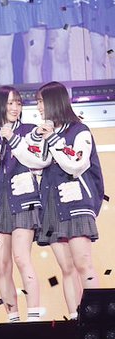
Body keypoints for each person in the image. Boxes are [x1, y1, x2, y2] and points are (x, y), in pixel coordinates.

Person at [34, 81, 103, 318]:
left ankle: (95, 319)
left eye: (41, 102)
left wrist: (53, 139)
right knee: (66, 268)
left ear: (54, 102)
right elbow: (38, 163)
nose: (38, 107)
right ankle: (74, 319)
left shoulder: (79, 131)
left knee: (83, 263)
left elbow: (75, 165)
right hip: (53, 205)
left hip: (76, 203)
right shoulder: (45, 133)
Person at [0, 86, 42, 322]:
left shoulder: (29, 131)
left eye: (18, 103)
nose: (15, 108)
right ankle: (13, 320)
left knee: (21, 258)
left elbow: (37, 159)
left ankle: (34, 317)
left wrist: (12, 138)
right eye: (10, 103)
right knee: (2, 265)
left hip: (23, 200)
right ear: (0, 105)